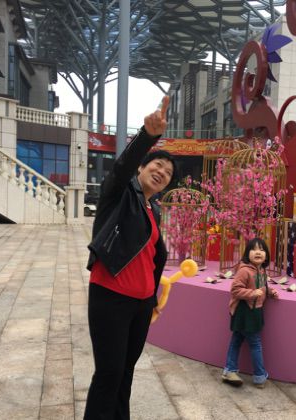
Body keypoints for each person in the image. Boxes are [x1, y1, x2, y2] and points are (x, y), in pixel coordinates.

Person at [84, 96, 176, 420]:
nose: (161, 172)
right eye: (157, 165)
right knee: (108, 375)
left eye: (168, 173)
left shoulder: (154, 210)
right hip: (110, 297)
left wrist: (152, 298)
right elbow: (121, 167)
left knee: (125, 374)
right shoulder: (119, 193)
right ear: (142, 167)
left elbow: (153, 257)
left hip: (140, 305)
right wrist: (147, 137)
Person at [221, 237, 279, 389]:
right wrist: (252, 293)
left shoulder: (262, 270)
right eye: (254, 249)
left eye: (262, 249)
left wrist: (271, 292)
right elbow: (235, 290)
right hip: (244, 311)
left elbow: (263, 287)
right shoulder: (244, 270)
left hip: (255, 311)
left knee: (237, 339)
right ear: (247, 253)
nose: (258, 252)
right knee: (255, 343)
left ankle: (229, 371)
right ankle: (259, 376)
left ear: (266, 255)